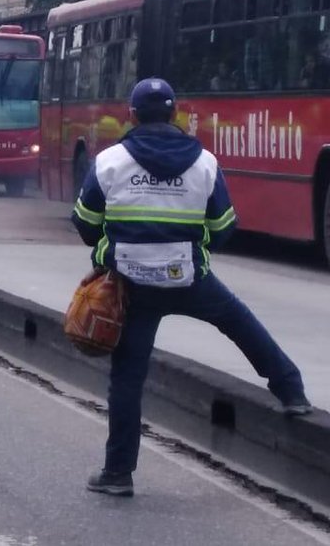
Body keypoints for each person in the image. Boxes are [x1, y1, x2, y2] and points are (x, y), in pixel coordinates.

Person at [73, 78, 311, 498]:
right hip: (186, 276)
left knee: (127, 378)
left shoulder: (110, 160)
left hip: (130, 285)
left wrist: (110, 251)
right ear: (174, 113)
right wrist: (193, 251)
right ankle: (291, 392)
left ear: (132, 114)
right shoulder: (204, 162)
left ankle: (117, 474)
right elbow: (223, 227)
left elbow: (86, 222)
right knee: (240, 323)